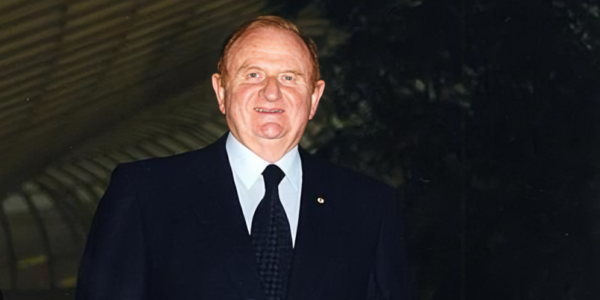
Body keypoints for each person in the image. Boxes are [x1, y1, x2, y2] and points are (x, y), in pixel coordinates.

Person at [76, 16, 410, 300]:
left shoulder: (369, 206)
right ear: (221, 91)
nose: (271, 92)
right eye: (252, 74)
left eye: (289, 77)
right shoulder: (146, 193)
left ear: (314, 97)